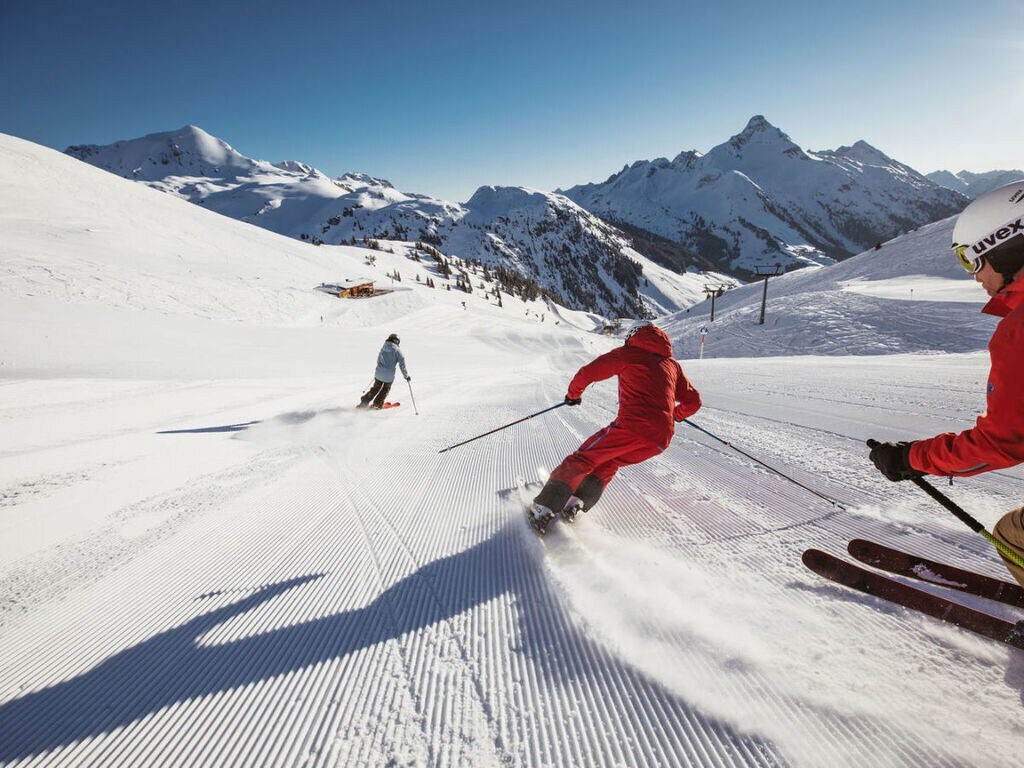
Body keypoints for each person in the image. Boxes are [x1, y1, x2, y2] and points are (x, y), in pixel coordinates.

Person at [868, 180, 1024, 585]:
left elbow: (1000, 444)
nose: (973, 277)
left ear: (1007, 247)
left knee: (1014, 534)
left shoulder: (1019, 330)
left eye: (970, 260)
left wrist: (911, 459)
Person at [530, 323, 702, 532]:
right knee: (609, 462)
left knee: (583, 458)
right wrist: (675, 415)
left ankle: (542, 508)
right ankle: (575, 503)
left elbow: (588, 373)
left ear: (633, 338)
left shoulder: (628, 354)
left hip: (633, 426)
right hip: (661, 439)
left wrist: (573, 396)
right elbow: (693, 401)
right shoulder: (672, 365)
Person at [358, 333, 410, 409]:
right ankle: (377, 404)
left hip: (379, 373)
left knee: (375, 388)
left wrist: (379, 370)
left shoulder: (383, 347)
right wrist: (406, 376)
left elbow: (378, 360)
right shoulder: (398, 351)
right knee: (385, 389)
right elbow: (402, 365)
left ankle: (364, 402)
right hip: (389, 376)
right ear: (397, 341)